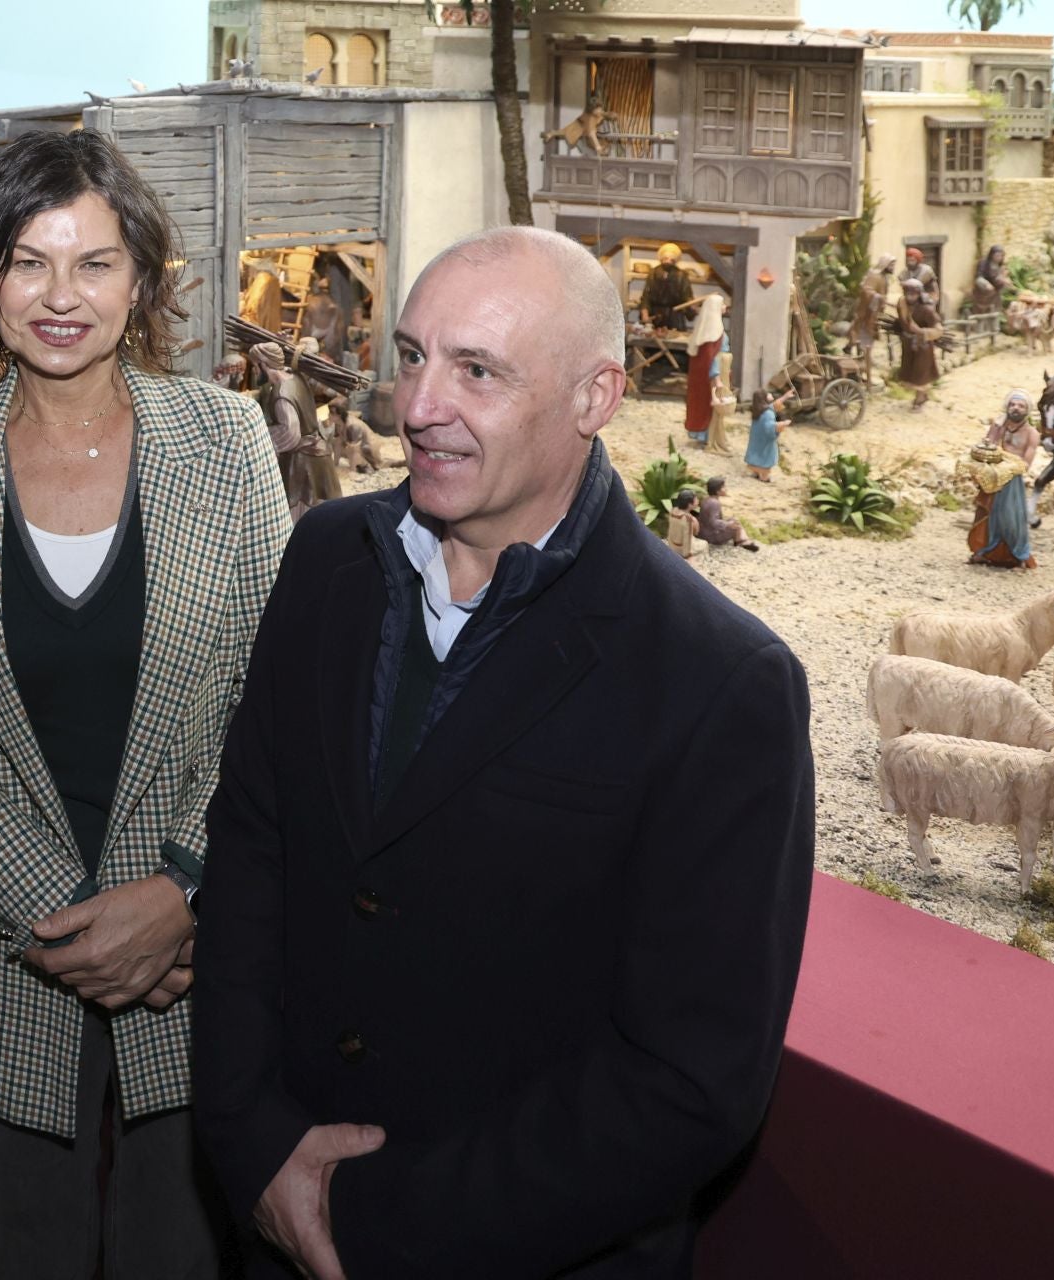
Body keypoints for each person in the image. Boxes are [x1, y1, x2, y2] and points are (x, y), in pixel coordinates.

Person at [192, 226, 815, 1279]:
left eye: (476, 370)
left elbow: (688, 1078)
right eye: (413, 355)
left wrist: (370, 1219)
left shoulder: (722, 683)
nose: (418, 406)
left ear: (595, 397)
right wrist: (254, 1143)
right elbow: (254, 847)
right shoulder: (325, 562)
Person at [0, 128, 293, 1280]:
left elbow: (277, 690)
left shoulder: (227, 441)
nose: (62, 296)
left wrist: (182, 890)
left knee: (182, 1250)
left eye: (95, 262)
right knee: (28, 1249)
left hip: (200, 957)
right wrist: (76, 918)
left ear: (142, 278)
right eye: (27, 261)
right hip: (11, 957)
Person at [250, 339, 343, 520]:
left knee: (300, 521)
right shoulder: (295, 377)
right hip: (317, 456)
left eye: (254, 366)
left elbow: (289, 434)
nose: (254, 371)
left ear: (263, 364)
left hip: (302, 466)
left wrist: (259, 433)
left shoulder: (282, 395)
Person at [969, 390, 1039, 570]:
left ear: (1027, 410)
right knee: (986, 515)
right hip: (992, 477)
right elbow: (986, 447)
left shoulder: (1031, 433)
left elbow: (1025, 463)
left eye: (1021, 405)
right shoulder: (999, 426)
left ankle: (1018, 555)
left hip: (1012, 481)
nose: (1016, 408)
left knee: (1012, 518)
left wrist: (1007, 466)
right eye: (1012, 404)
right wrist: (996, 428)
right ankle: (984, 551)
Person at [683, 293, 728, 446]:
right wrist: (716, 377)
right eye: (722, 304)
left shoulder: (712, 328)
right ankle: (704, 434)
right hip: (707, 375)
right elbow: (711, 358)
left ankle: (705, 433)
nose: (725, 307)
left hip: (705, 373)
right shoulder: (712, 333)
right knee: (704, 404)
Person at [897, 276, 943, 412]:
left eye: (913, 293)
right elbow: (903, 322)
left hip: (922, 346)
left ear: (918, 293)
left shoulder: (926, 310)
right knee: (910, 371)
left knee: (920, 373)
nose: (910, 296)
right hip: (908, 344)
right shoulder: (902, 305)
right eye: (907, 293)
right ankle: (921, 396)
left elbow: (938, 329)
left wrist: (922, 332)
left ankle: (920, 398)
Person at [850, 253, 896, 380]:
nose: (893, 267)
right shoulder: (874, 275)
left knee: (868, 347)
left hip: (874, 317)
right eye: (891, 264)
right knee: (865, 347)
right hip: (866, 317)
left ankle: (864, 375)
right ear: (885, 264)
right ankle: (866, 379)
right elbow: (866, 290)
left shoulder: (883, 277)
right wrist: (880, 298)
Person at [640, 241, 695, 331]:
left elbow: (687, 295)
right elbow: (646, 296)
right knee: (653, 341)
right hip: (656, 316)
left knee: (675, 341)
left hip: (675, 317)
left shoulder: (681, 275)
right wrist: (645, 314)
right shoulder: (653, 273)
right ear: (661, 258)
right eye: (665, 258)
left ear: (675, 260)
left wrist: (691, 306)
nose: (668, 261)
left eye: (671, 259)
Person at [698, 476, 761, 551]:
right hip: (711, 536)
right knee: (736, 526)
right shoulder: (714, 503)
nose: (726, 489)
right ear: (718, 491)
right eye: (723, 487)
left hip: (704, 532)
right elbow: (713, 522)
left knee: (733, 520)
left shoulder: (707, 499)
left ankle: (741, 539)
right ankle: (742, 541)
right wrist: (728, 524)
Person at [746, 386, 793, 482]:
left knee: (756, 454)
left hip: (756, 439)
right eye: (768, 394)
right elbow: (770, 427)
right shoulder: (768, 413)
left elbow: (775, 405)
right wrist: (783, 424)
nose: (770, 394)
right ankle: (764, 476)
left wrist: (785, 396)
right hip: (764, 440)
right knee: (765, 456)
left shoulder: (758, 410)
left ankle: (756, 472)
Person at [972, 244, 1008, 314]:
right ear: (992, 255)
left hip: (995, 293)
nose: (999, 258)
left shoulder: (999, 266)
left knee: (995, 309)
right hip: (983, 290)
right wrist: (986, 284)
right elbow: (978, 277)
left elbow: (997, 278)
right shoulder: (984, 263)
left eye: (1001, 256)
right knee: (982, 310)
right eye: (997, 255)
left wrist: (1003, 279)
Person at [665, 487, 700, 559]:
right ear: (690, 504)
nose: (698, 501)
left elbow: (670, 531)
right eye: (696, 499)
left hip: (672, 545)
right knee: (704, 544)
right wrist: (686, 554)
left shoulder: (673, 511)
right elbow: (687, 538)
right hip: (681, 548)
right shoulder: (687, 519)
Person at [901, 246, 939, 310]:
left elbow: (917, 284)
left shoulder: (926, 270)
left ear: (918, 260)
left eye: (912, 260)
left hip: (927, 297)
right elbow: (902, 282)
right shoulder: (906, 271)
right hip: (912, 299)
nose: (909, 263)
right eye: (908, 260)